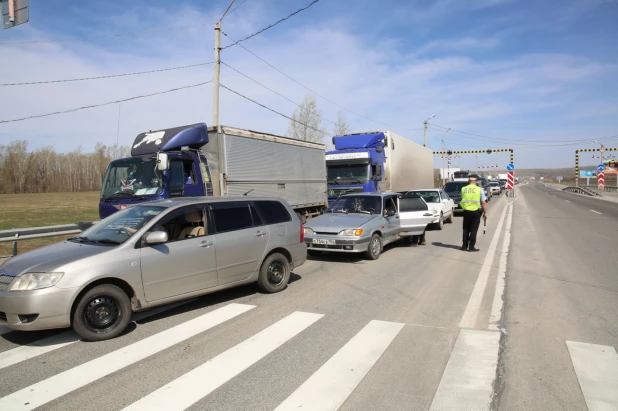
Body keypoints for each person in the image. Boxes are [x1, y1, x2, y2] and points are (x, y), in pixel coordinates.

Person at [460, 176, 487, 252]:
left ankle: (464, 246)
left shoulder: (463, 189)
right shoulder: (479, 189)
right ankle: (471, 247)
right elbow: (484, 202)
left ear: (468, 181)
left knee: (466, 229)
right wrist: (485, 213)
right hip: (476, 211)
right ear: (476, 181)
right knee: (474, 229)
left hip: (466, 211)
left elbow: (463, 199)